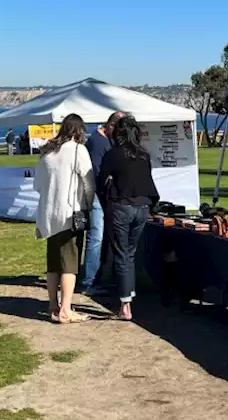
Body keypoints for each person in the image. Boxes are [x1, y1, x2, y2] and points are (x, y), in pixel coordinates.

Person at [96, 116, 159, 322]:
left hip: (121, 206)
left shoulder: (113, 154)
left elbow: (100, 180)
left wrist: (105, 197)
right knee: (130, 253)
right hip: (142, 206)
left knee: (122, 254)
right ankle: (128, 295)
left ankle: (125, 305)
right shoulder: (144, 155)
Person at [33, 115, 94, 324]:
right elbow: (88, 183)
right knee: (70, 263)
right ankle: (66, 309)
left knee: (53, 263)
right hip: (70, 213)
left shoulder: (48, 153)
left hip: (49, 215)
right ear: (79, 130)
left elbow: (37, 185)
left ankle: (53, 305)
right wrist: (88, 205)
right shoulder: (78, 150)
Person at [83, 112, 125, 296]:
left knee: (103, 238)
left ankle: (98, 278)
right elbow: (99, 173)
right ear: (111, 125)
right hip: (96, 195)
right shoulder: (97, 142)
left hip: (103, 196)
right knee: (96, 237)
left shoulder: (106, 140)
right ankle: (89, 282)